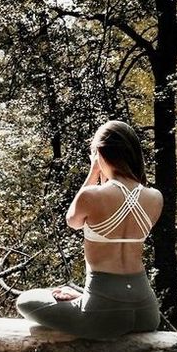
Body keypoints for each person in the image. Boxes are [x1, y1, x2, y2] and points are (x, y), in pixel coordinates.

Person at [15, 120, 163, 339]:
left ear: (100, 153)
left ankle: (84, 300)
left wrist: (93, 172)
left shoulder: (92, 196)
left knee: (25, 301)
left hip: (104, 315)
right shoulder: (155, 197)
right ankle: (82, 297)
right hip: (147, 312)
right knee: (75, 296)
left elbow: (72, 220)